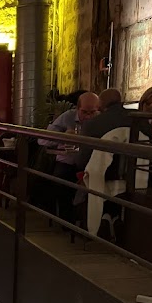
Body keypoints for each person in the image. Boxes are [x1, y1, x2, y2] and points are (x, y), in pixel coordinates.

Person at [37, 92, 100, 220]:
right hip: (68, 161)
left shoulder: (101, 121)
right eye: (84, 112)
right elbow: (42, 140)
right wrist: (63, 136)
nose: (88, 117)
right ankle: (66, 222)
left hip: (92, 163)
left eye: (92, 112)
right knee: (61, 180)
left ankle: (88, 222)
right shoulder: (67, 117)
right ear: (77, 109)